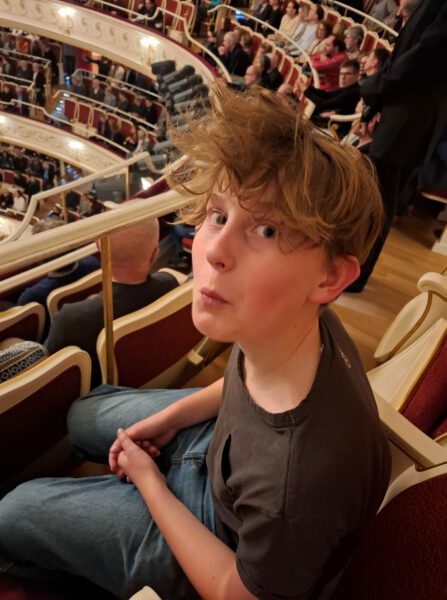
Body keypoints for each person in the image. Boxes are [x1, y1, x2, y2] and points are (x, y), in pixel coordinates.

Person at [0, 87, 390, 600]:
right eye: (219, 215)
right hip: (220, 457)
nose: (214, 252)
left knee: (12, 512)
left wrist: (149, 482)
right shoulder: (288, 323)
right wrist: (171, 418)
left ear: (330, 277)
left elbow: (234, 591)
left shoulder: (298, 485)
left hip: (217, 540)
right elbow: (246, 386)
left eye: (267, 231)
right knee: (84, 414)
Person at [349, 0, 447, 292]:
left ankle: (357, 271)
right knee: (378, 192)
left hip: (411, 115)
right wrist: (376, 100)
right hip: (403, 110)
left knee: (379, 198)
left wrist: (374, 88)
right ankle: (354, 265)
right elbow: (406, 51)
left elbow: (422, 58)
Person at [44, 219, 179, 386]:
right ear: (154, 255)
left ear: (100, 247)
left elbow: (51, 379)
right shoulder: (169, 284)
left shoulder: (69, 320)